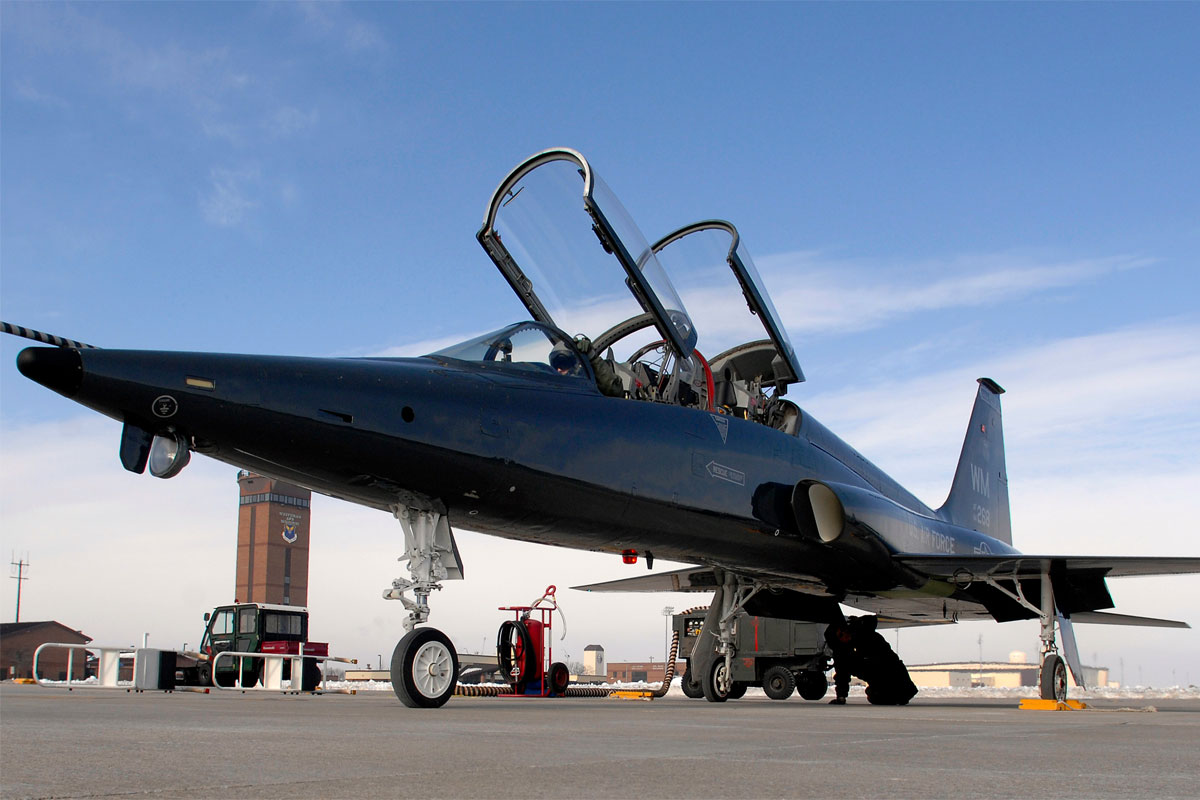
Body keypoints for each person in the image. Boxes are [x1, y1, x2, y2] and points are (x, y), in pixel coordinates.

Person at [824, 616, 918, 706]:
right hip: (882, 681)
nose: (845, 636)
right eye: (840, 636)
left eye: (844, 632)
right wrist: (841, 696)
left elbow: (887, 664)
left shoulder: (869, 638)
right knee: (874, 695)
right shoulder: (843, 651)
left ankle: (895, 694)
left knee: (877, 695)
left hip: (897, 680)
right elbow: (842, 675)